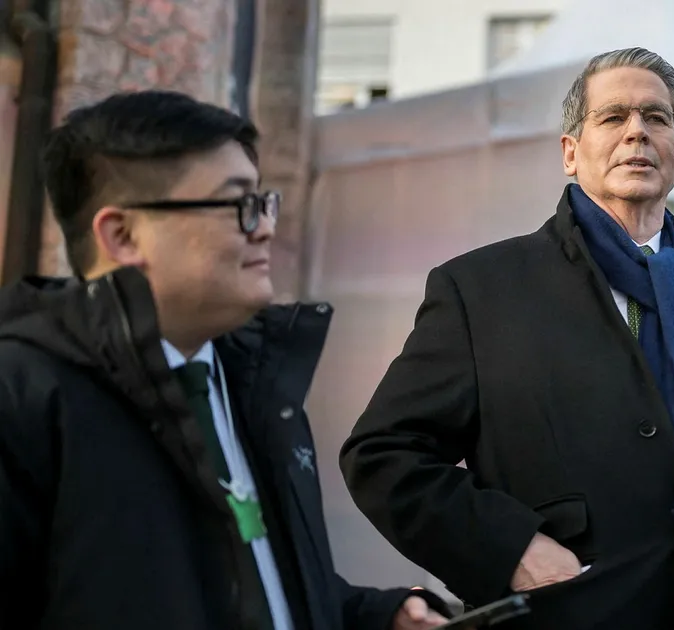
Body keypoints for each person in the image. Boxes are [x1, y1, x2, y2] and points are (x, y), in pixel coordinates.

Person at [339, 47, 674, 630]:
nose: (637, 132)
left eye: (656, 118)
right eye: (613, 116)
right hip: (567, 613)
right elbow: (383, 455)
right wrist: (512, 550)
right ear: (571, 152)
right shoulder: (483, 289)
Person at [0, 90, 450, 630]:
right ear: (122, 235)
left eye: (263, 202)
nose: (265, 227)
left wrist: (376, 616)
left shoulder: (250, 383)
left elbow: (252, 577)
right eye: (238, 205)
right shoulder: (25, 395)